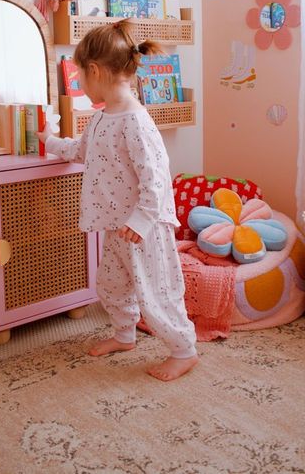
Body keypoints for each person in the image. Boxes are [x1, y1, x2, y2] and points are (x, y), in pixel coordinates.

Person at [37, 20, 198, 381]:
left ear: (95, 70)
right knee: (110, 285)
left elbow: (155, 180)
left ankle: (184, 349)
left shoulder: (136, 122)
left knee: (156, 294)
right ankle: (125, 335)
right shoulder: (99, 119)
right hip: (115, 226)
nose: (78, 81)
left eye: (79, 74)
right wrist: (49, 141)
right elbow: (80, 151)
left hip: (143, 228)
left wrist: (140, 222)